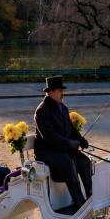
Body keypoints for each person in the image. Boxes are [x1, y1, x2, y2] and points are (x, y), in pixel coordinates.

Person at [34, 76, 91, 211]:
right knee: (68, 163)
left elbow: (71, 129)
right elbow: (50, 137)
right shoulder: (42, 111)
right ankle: (79, 203)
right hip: (47, 151)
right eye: (59, 91)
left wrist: (81, 140)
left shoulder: (63, 108)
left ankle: (90, 198)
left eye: (62, 90)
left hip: (62, 148)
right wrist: (70, 144)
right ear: (50, 92)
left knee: (85, 161)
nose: (62, 93)